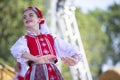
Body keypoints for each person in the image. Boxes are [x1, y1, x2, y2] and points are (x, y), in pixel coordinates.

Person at [10, 6, 82, 80]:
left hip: (52, 73)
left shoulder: (51, 38)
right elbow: (18, 50)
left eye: (31, 15)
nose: (27, 18)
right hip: (35, 73)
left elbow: (70, 49)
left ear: (39, 19)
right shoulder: (25, 39)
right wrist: (36, 59)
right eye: (24, 17)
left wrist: (75, 59)